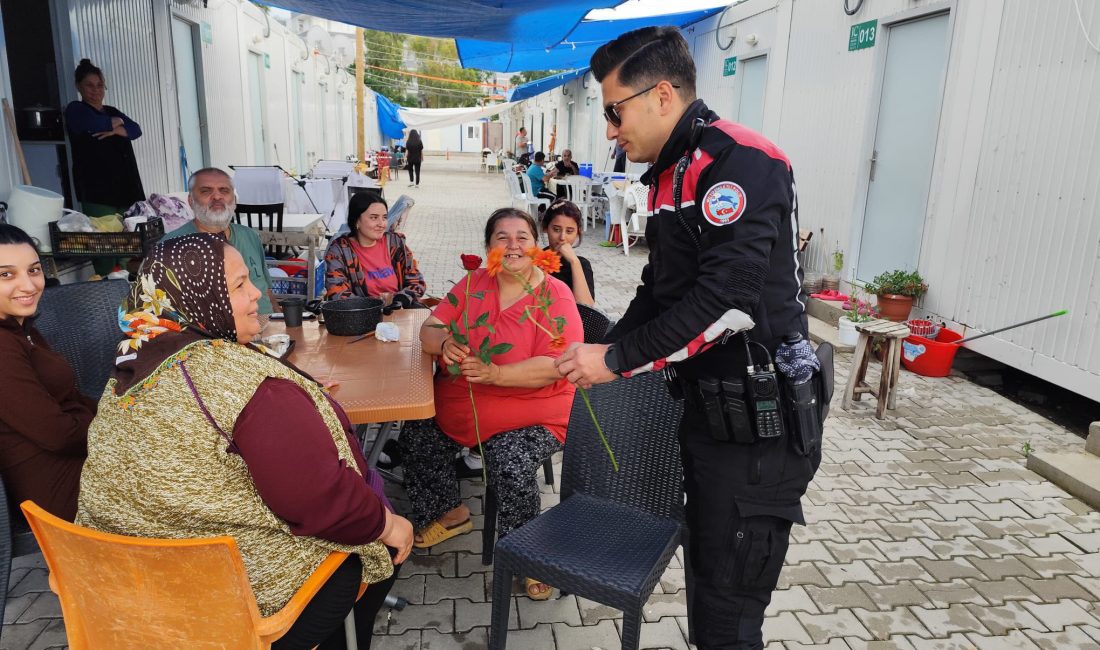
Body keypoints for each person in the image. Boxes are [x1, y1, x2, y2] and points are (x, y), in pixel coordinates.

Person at [555, 27, 819, 648]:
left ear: (663, 95)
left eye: (615, 113)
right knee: (706, 581)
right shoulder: (669, 175)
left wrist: (616, 360)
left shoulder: (741, 161)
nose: (611, 132)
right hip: (709, 413)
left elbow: (726, 303)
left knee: (729, 610)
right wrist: (603, 352)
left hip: (762, 427)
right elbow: (660, 288)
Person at [76, 234, 413, 649]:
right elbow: (319, 499)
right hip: (225, 605)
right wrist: (388, 524)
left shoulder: (128, 371)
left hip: (128, 587)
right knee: (376, 550)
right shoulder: (253, 387)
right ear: (204, 296)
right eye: (238, 285)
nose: (256, 292)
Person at [401, 208, 582, 601]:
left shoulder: (555, 294)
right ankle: (451, 513)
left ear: (537, 247)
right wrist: (446, 344)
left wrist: (497, 375)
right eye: (502, 237)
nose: (513, 244)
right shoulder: (475, 284)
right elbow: (430, 327)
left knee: (510, 461)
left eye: (523, 236)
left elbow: (556, 365)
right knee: (417, 428)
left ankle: (527, 555)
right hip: (470, 398)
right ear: (489, 248)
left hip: (536, 406)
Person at [0, 224, 92, 522]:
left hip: (75, 458)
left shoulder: (21, 328)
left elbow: (70, 397)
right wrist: (112, 427)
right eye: (6, 275)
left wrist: (121, 413)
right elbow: (57, 435)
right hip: (52, 487)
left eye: (34, 270)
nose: (28, 285)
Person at [64, 59, 145, 276]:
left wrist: (116, 126)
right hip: (98, 189)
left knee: (128, 241)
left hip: (125, 186)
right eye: (89, 85)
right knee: (105, 243)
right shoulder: (76, 110)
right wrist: (117, 124)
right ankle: (105, 287)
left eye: (99, 85)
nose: (95, 90)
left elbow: (135, 129)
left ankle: (126, 284)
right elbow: (100, 124)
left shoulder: (110, 109)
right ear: (78, 86)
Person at [163, 168, 279, 315]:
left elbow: (265, 289)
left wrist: (278, 319)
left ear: (234, 200)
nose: (217, 196)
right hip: (212, 336)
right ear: (191, 201)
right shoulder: (170, 247)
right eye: (206, 191)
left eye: (224, 190)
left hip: (267, 328)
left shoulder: (249, 236)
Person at [323, 192, 426, 307]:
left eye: (384, 217)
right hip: (361, 317)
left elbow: (416, 280)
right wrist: (373, 307)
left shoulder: (395, 243)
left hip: (398, 312)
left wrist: (401, 300)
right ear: (356, 221)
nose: (381, 224)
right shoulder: (340, 251)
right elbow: (337, 292)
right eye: (374, 218)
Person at [541, 200, 594, 306]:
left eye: (569, 231)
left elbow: (587, 308)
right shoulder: (534, 260)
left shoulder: (581, 264)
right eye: (556, 229)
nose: (562, 237)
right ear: (546, 228)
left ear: (577, 233)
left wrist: (574, 262)